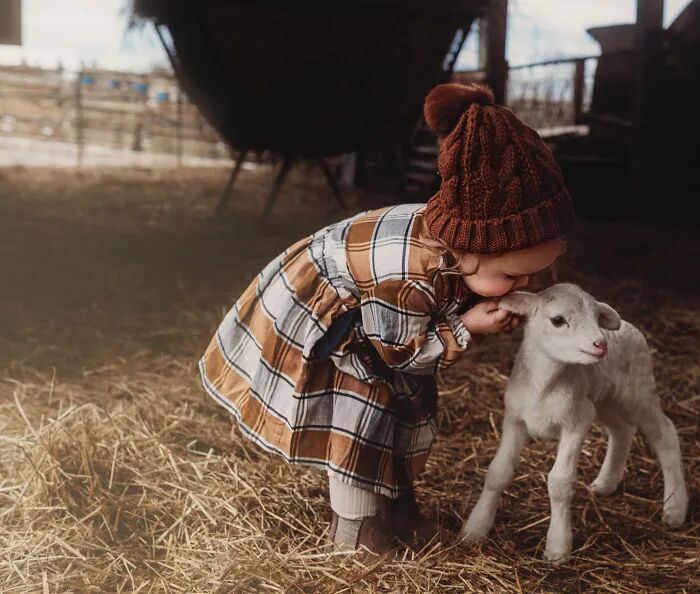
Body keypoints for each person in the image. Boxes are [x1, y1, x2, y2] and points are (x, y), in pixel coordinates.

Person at [198, 83, 575, 555]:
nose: (523, 285)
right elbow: (400, 354)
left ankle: (398, 511)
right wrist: (467, 327)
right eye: (511, 275)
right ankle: (356, 535)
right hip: (330, 326)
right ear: (469, 252)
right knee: (363, 413)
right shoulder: (408, 275)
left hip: (379, 324)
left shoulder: (452, 247)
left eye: (532, 275)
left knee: (407, 404)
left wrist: (474, 309)